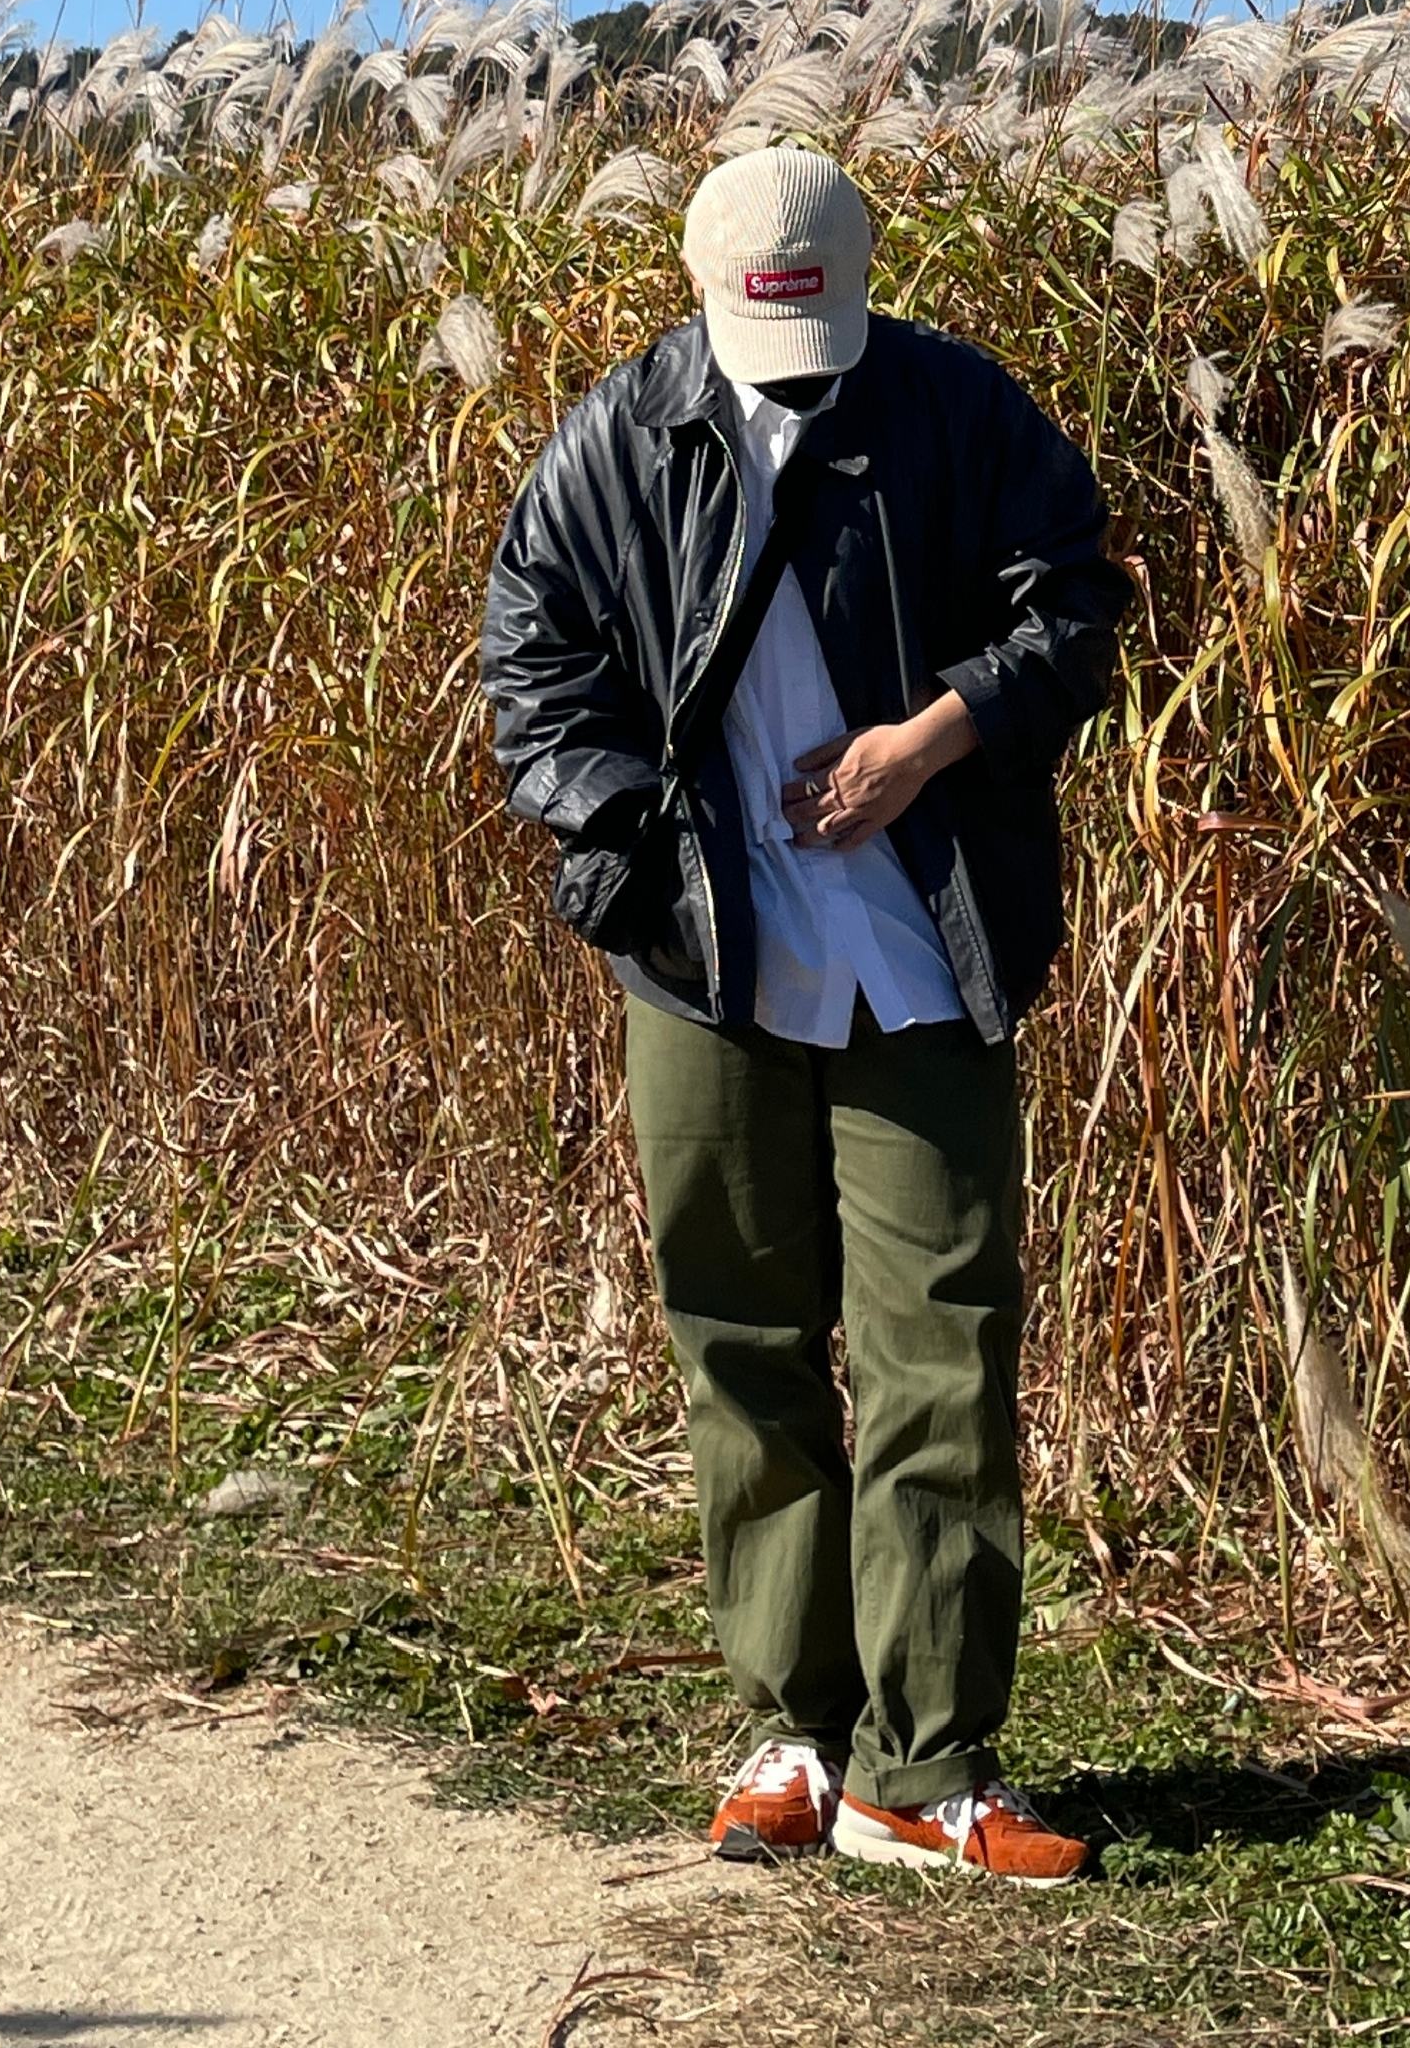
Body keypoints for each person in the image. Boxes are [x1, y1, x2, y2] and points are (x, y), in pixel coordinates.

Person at [481, 143, 1130, 1885]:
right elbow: (529, 667)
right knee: (743, 1337)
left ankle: (924, 1774)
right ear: (702, 299)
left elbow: (1076, 604)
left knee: (943, 1342)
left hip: (927, 952)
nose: (807, 368)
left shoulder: (957, 408)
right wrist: (645, 831)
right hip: (707, 961)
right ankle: (795, 1734)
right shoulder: (622, 436)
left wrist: (934, 739)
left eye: (825, 329)